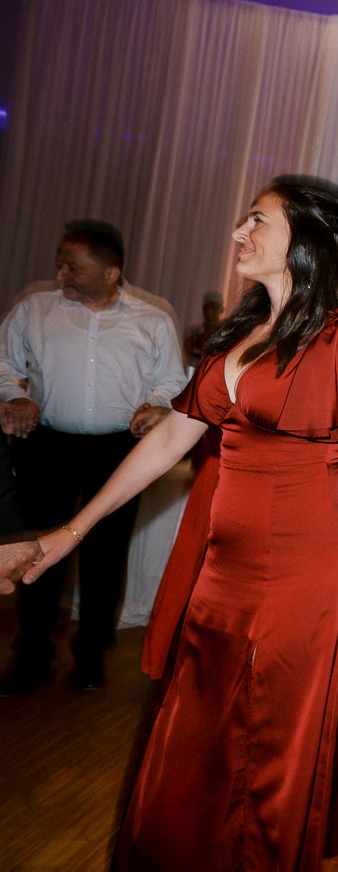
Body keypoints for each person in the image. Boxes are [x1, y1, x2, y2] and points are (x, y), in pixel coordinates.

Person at [0, 175, 338, 870]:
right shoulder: (238, 336)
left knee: (272, 754)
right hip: (223, 575)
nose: (239, 232)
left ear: (305, 240)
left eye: (258, 220)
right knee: (194, 737)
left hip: (308, 578)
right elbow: (167, 440)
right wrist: (69, 530)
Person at [0, 219, 186, 693]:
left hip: (117, 449)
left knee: (106, 554)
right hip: (49, 445)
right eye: (60, 263)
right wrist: (15, 397)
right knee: (38, 551)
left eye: (73, 266)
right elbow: (3, 365)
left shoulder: (153, 318)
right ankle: (31, 658)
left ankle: (91, 659)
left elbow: (171, 380)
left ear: (110, 271)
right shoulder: (33, 310)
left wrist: (158, 405)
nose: (61, 274)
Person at [183, 290, 224, 367]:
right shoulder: (192, 332)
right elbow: (184, 354)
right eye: (207, 308)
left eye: (214, 308)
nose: (210, 312)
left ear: (221, 310)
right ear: (203, 309)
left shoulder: (224, 335)